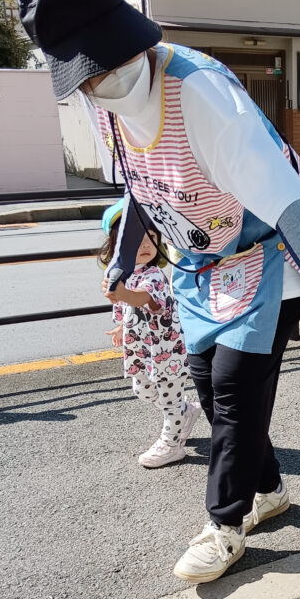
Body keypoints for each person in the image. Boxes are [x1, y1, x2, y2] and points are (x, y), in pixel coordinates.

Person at [18, 0, 300, 583]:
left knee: (236, 392)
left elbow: (282, 197)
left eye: (102, 62)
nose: (98, 81)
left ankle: (225, 525)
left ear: (127, 36)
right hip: (200, 260)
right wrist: (123, 262)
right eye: (85, 72)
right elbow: (139, 190)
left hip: (271, 253)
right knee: (210, 387)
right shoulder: (104, 107)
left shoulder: (202, 93)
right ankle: (267, 491)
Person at [98, 200, 201, 468]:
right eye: (136, 239)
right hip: (142, 348)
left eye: (151, 238)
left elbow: (146, 300)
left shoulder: (154, 274)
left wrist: (123, 295)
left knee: (169, 399)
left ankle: (172, 442)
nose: (144, 245)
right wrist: (121, 326)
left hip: (166, 349)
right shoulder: (122, 272)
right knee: (142, 389)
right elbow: (122, 306)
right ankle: (184, 413)